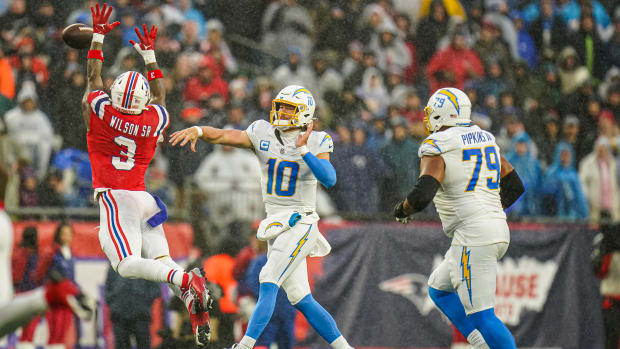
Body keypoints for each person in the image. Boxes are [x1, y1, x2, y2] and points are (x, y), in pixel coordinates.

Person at [170, 84, 354, 349]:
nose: (280, 113)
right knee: (301, 298)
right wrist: (199, 130)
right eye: (279, 106)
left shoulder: (316, 139)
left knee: (268, 278)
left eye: (288, 109)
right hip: (275, 223)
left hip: (300, 221)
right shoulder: (262, 132)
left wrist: (303, 151)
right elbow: (225, 136)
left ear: (304, 113)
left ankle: (244, 346)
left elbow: (330, 178)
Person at [80, 3, 211, 346]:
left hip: (115, 196)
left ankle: (185, 281)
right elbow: (161, 95)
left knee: (125, 265)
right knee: (162, 260)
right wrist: (150, 56)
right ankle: (192, 303)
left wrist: (97, 37)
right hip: (145, 198)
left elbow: (92, 79)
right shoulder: (153, 118)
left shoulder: (101, 110)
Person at [393, 87, 524, 348]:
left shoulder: (438, 144)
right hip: (495, 227)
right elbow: (515, 185)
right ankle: (480, 344)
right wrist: (488, 212)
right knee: (438, 290)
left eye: (431, 113)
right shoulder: (484, 137)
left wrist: (402, 209)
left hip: (473, 234)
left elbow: (423, 193)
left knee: (483, 316)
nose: (427, 118)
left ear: (443, 115)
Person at [104, 265, 161, 349]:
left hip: (140, 315)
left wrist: (143, 301)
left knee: (143, 345)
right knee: (121, 345)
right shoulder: (115, 263)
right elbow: (107, 288)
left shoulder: (146, 263)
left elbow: (156, 290)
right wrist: (114, 301)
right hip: (119, 315)